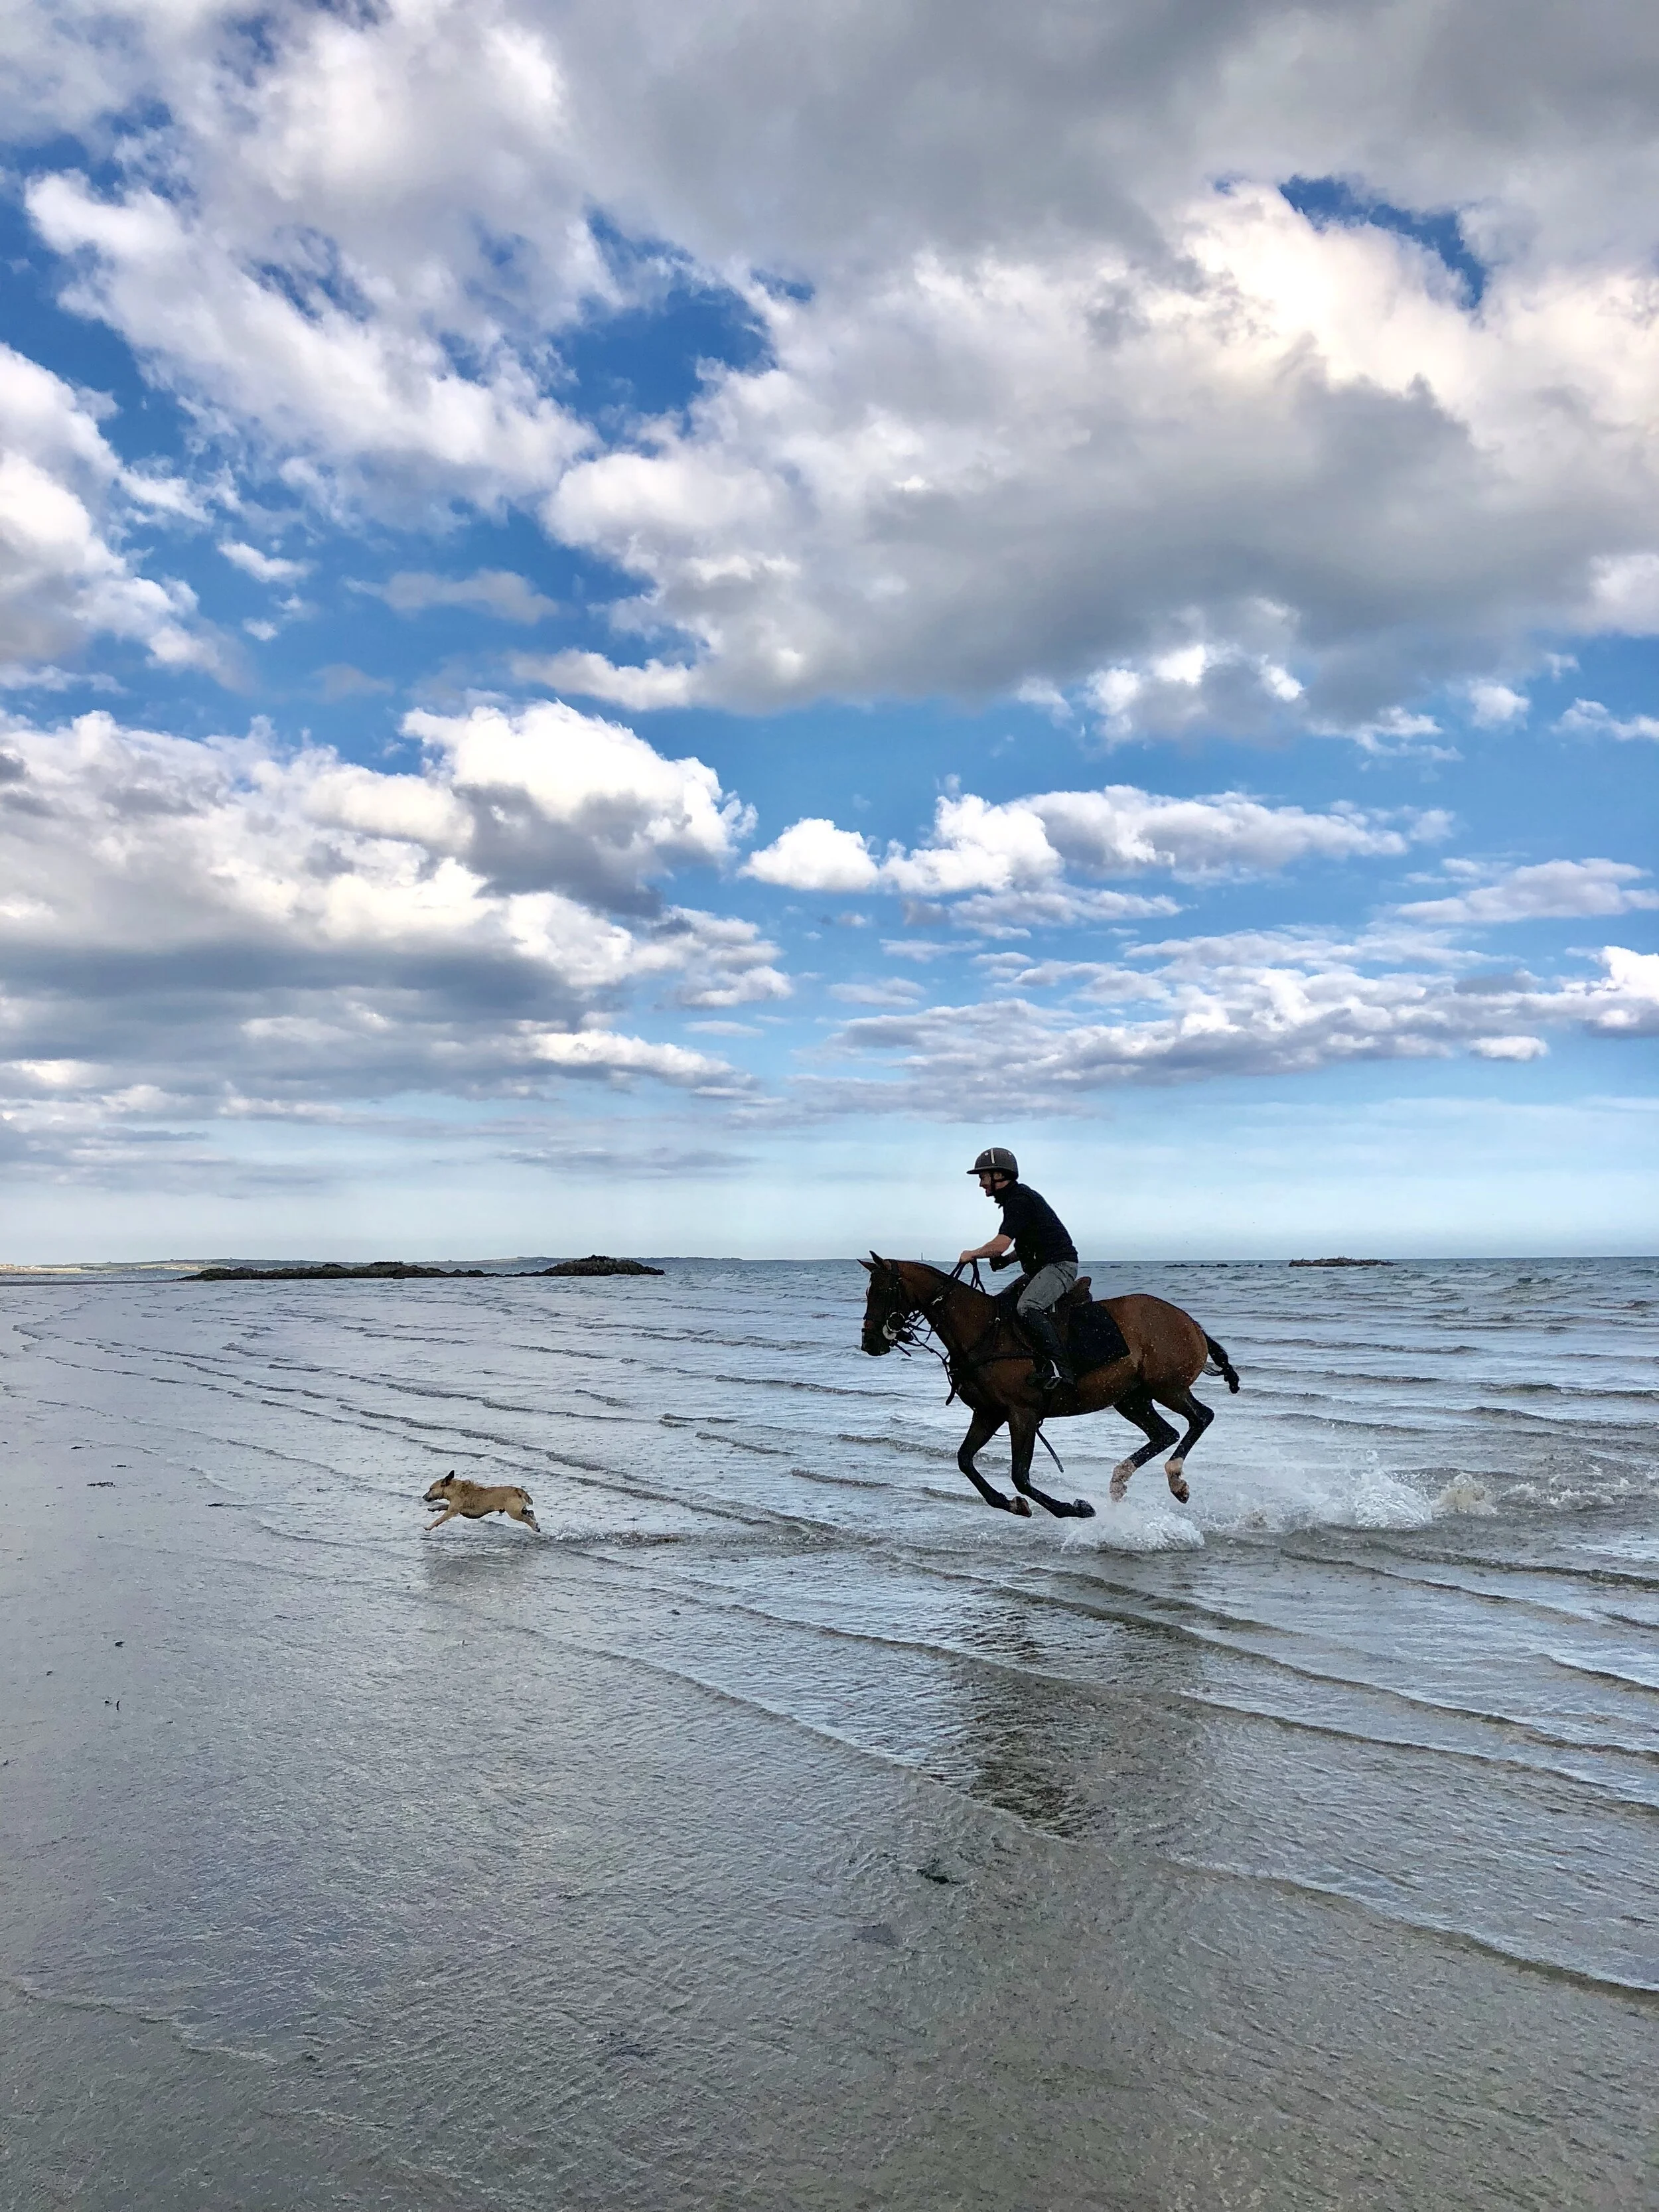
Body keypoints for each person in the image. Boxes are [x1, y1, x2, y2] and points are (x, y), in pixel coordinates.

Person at [958, 1147, 1078, 1389]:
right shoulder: (1017, 1200)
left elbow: (1000, 1244)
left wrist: (973, 1254)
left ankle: (1061, 1370)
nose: (981, 1184)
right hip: (1043, 1267)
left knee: (1027, 1306)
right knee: (1004, 1304)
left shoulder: (1020, 1201)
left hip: (1060, 1266)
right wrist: (1008, 1261)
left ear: (999, 1175)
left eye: (983, 1177)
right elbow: (1028, 1244)